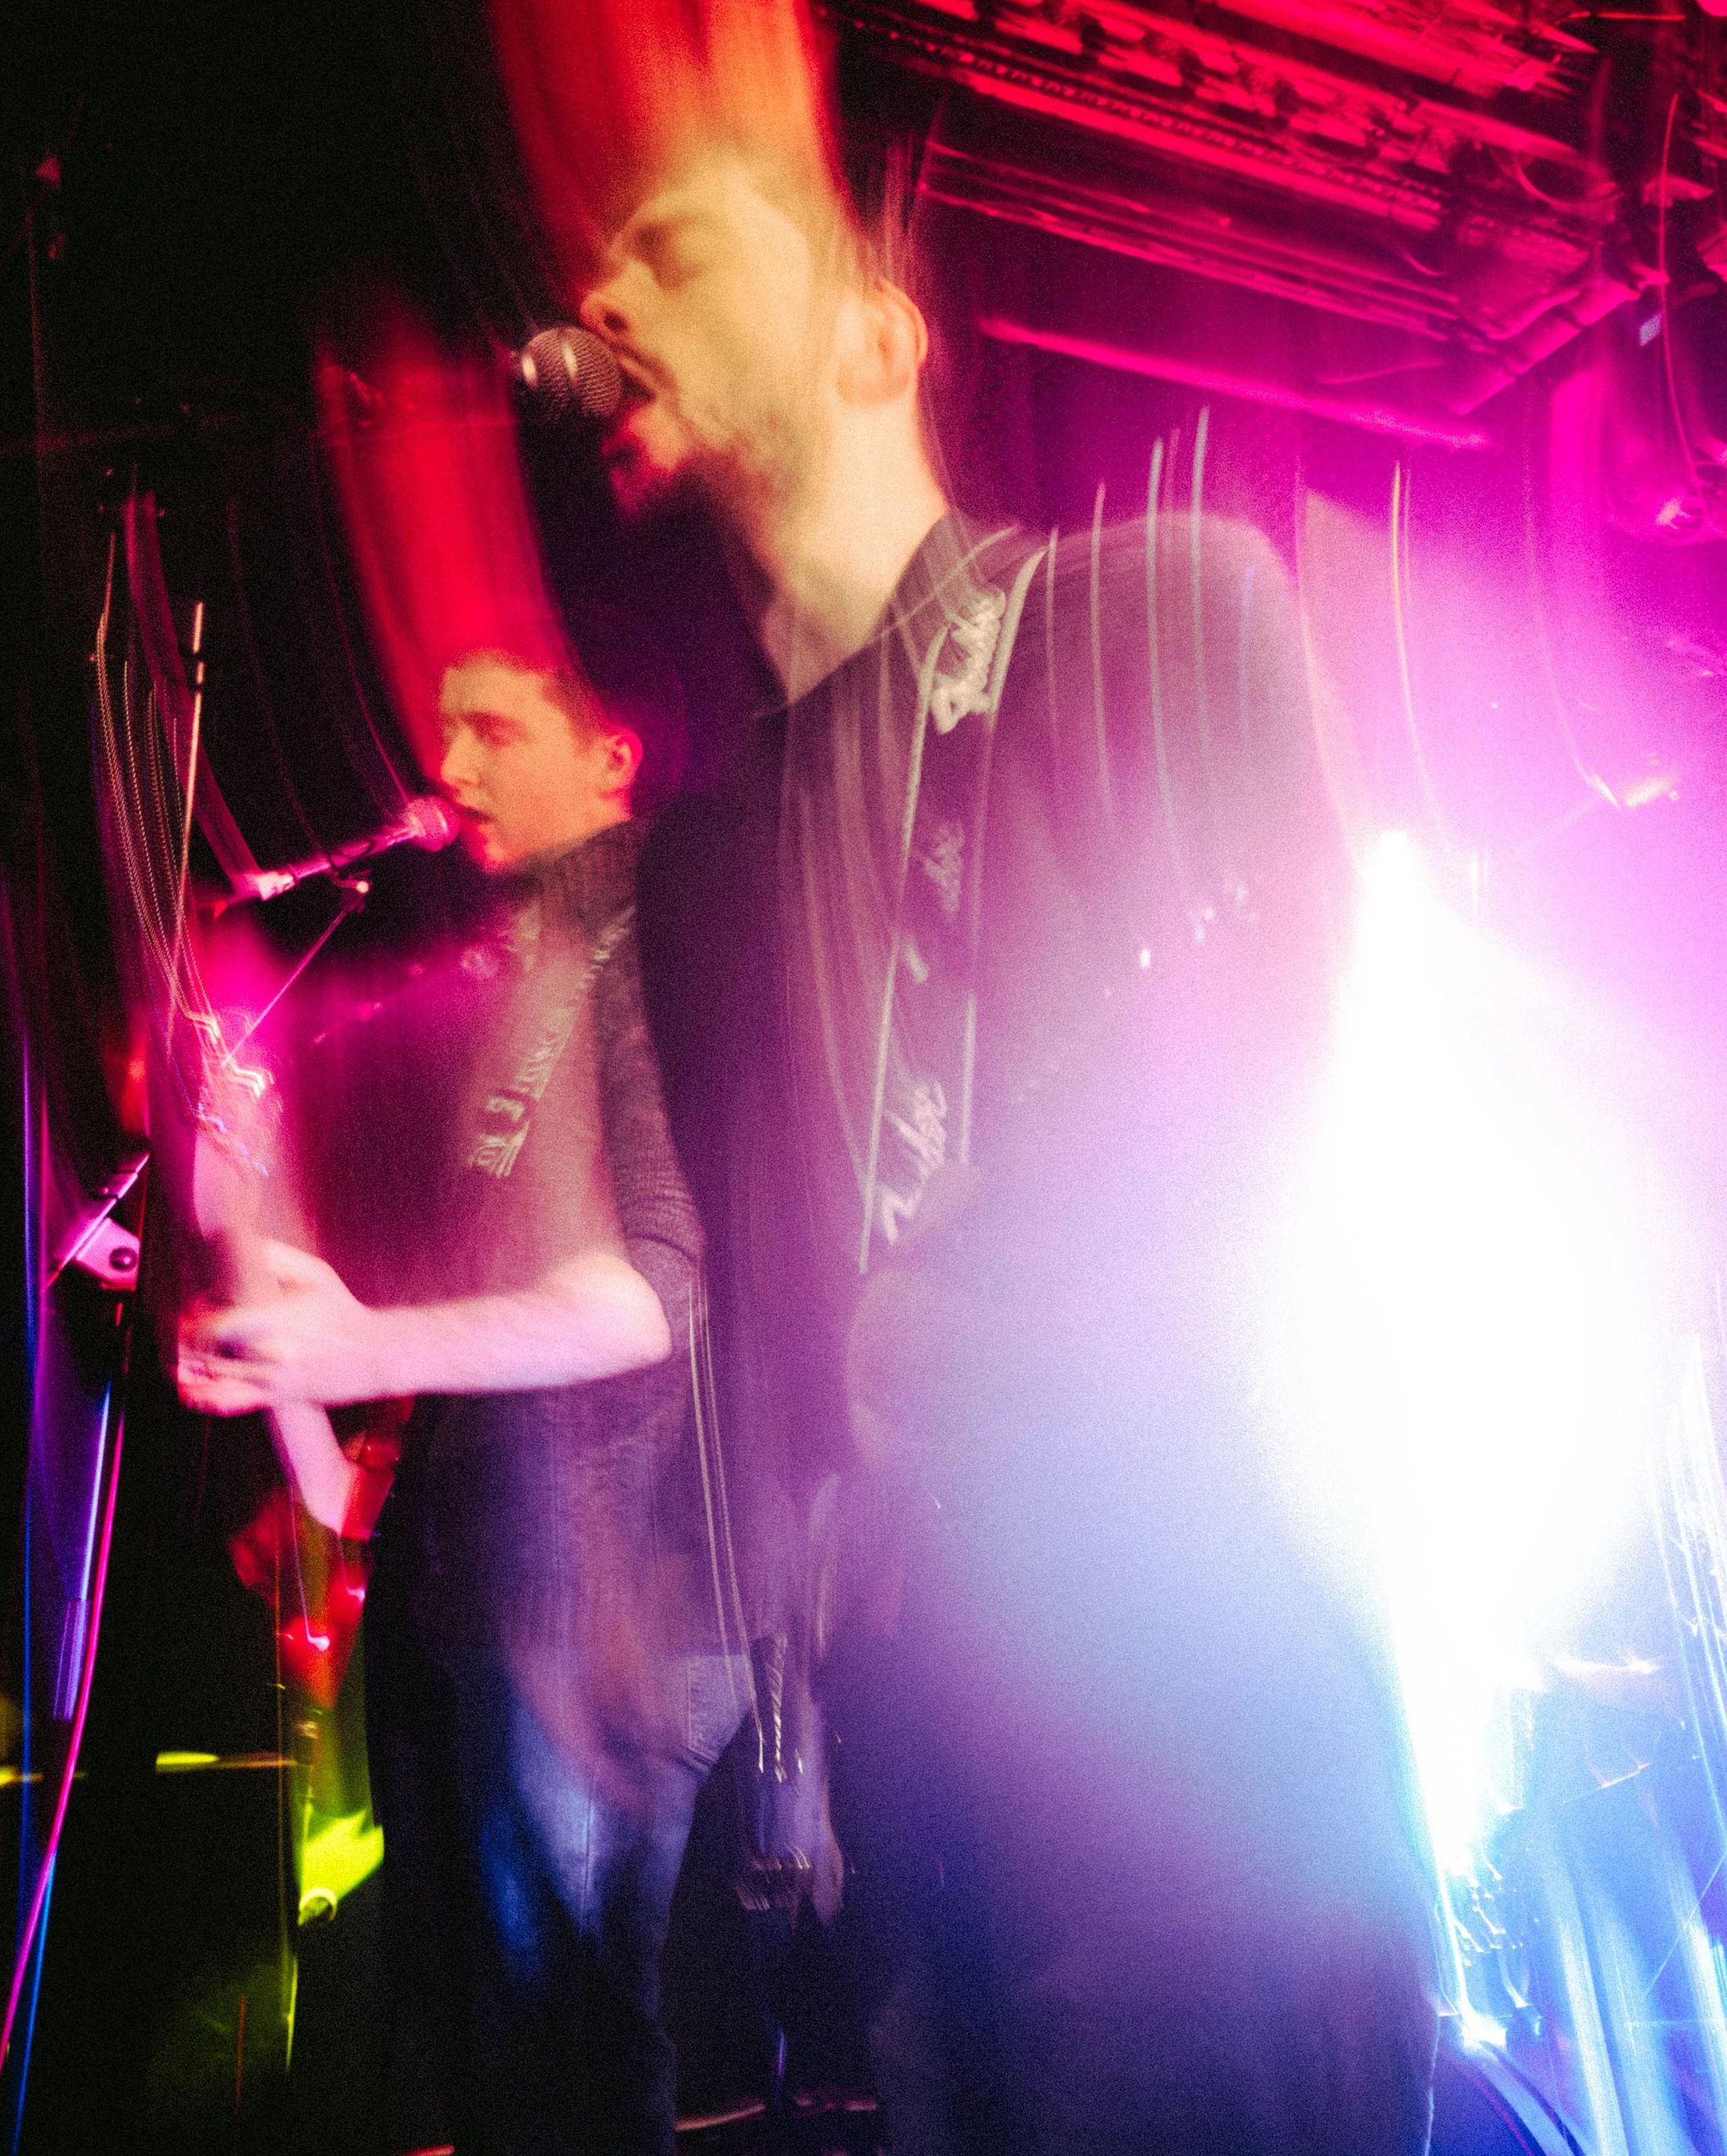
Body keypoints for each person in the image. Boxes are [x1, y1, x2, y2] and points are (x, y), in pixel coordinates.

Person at [577, 140, 1442, 2154]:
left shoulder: (1155, 610)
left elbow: (1266, 1085)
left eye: (671, 249)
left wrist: (974, 1327)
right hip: (905, 1776)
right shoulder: (697, 866)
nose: (599, 304)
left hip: (1183, 1696)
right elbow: (755, 1316)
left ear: (873, 342)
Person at [178, 644, 743, 2156]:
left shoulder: (649, 939)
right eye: (444, 734)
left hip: (610, 1607)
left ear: (613, 755)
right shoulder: (509, 979)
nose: (451, 770)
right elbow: (354, 1474)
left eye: (493, 729)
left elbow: (652, 1295)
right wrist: (264, 1274)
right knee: (489, 2054)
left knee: (560, 2060)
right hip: (477, 1597)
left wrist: (365, 1350)